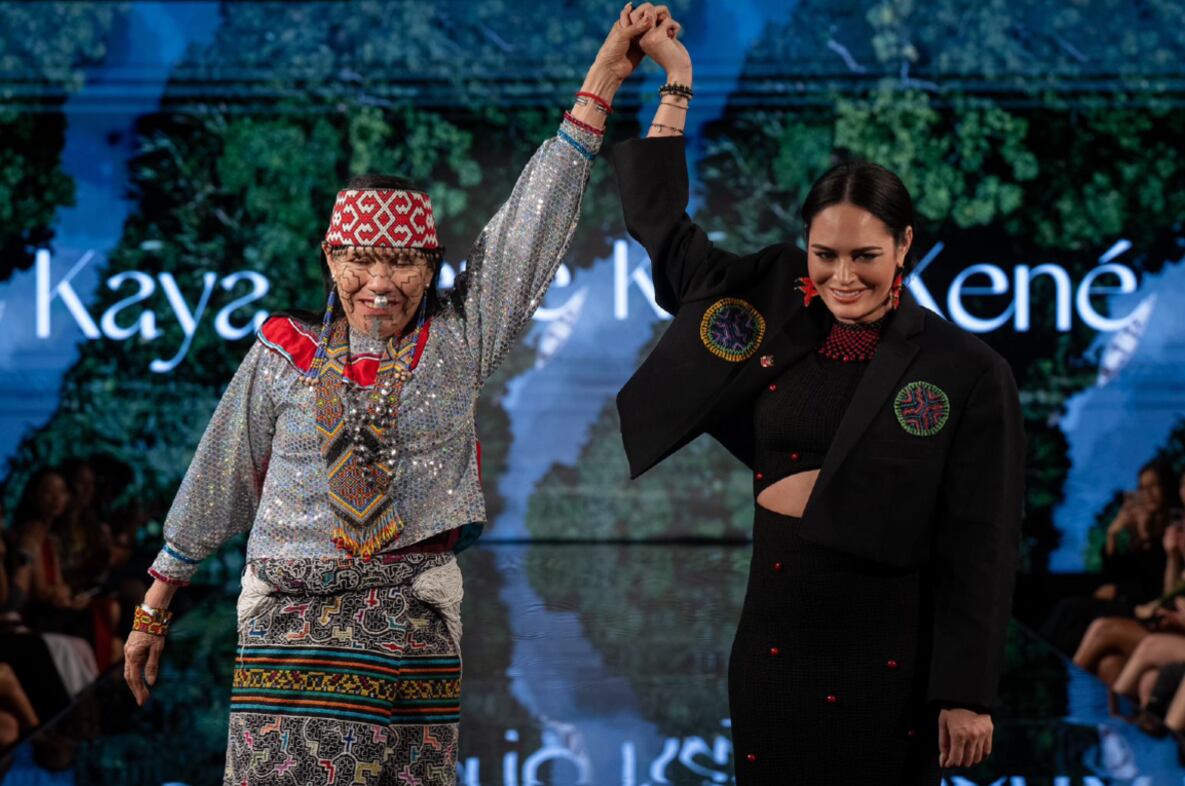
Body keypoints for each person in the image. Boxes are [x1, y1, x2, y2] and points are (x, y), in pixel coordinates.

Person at [122, 7, 657, 784]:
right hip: (286, 631)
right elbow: (219, 477)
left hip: (406, 626)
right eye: (360, 260)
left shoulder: (455, 341)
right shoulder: (282, 354)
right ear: (330, 257)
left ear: (431, 263)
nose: (380, 283)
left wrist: (605, 75)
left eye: (403, 263)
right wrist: (152, 607)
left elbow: (529, 225)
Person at [612, 9, 1024, 783]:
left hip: (891, 658)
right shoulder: (765, 298)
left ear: (904, 247)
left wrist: (965, 695)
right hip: (773, 648)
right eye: (824, 253)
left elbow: (981, 544)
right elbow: (662, 229)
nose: (842, 277)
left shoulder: (963, 369)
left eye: (865, 256)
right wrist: (676, 83)